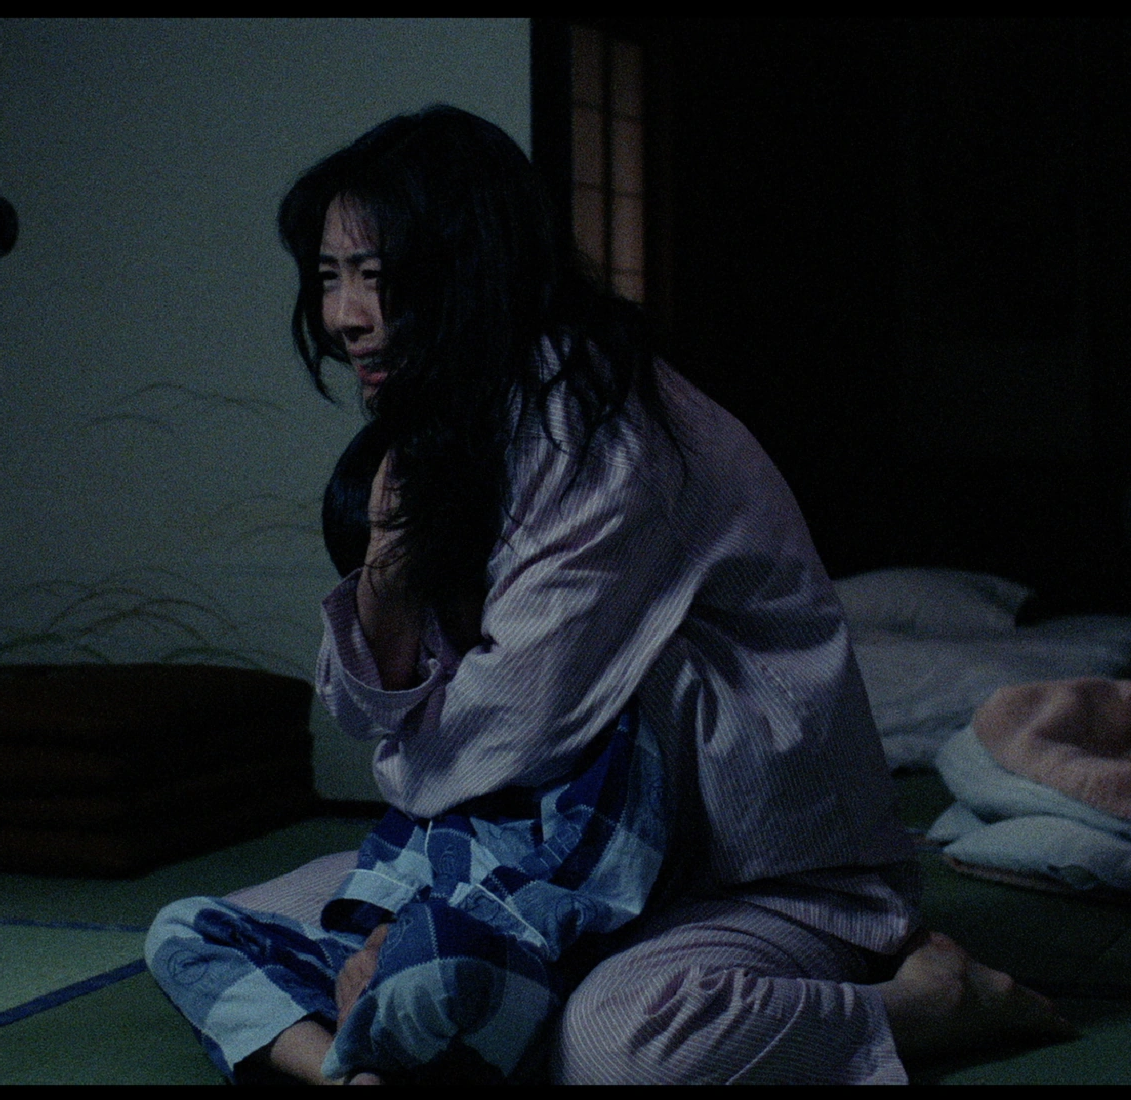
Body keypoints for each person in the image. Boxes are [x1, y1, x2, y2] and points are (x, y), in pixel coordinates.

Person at [146, 105, 1073, 1085]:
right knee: (191, 931)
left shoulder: (593, 419)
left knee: (612, 1049)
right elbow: (373, 712)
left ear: (464, 264)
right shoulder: (451, 419)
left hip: (752, 877)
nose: (343, 315)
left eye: (373, 275)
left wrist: (400, 903)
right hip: (532, 859)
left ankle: (919, 1007)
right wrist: (385, 569)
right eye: (330, 276)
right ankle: (357, 1069)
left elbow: (509, 730)